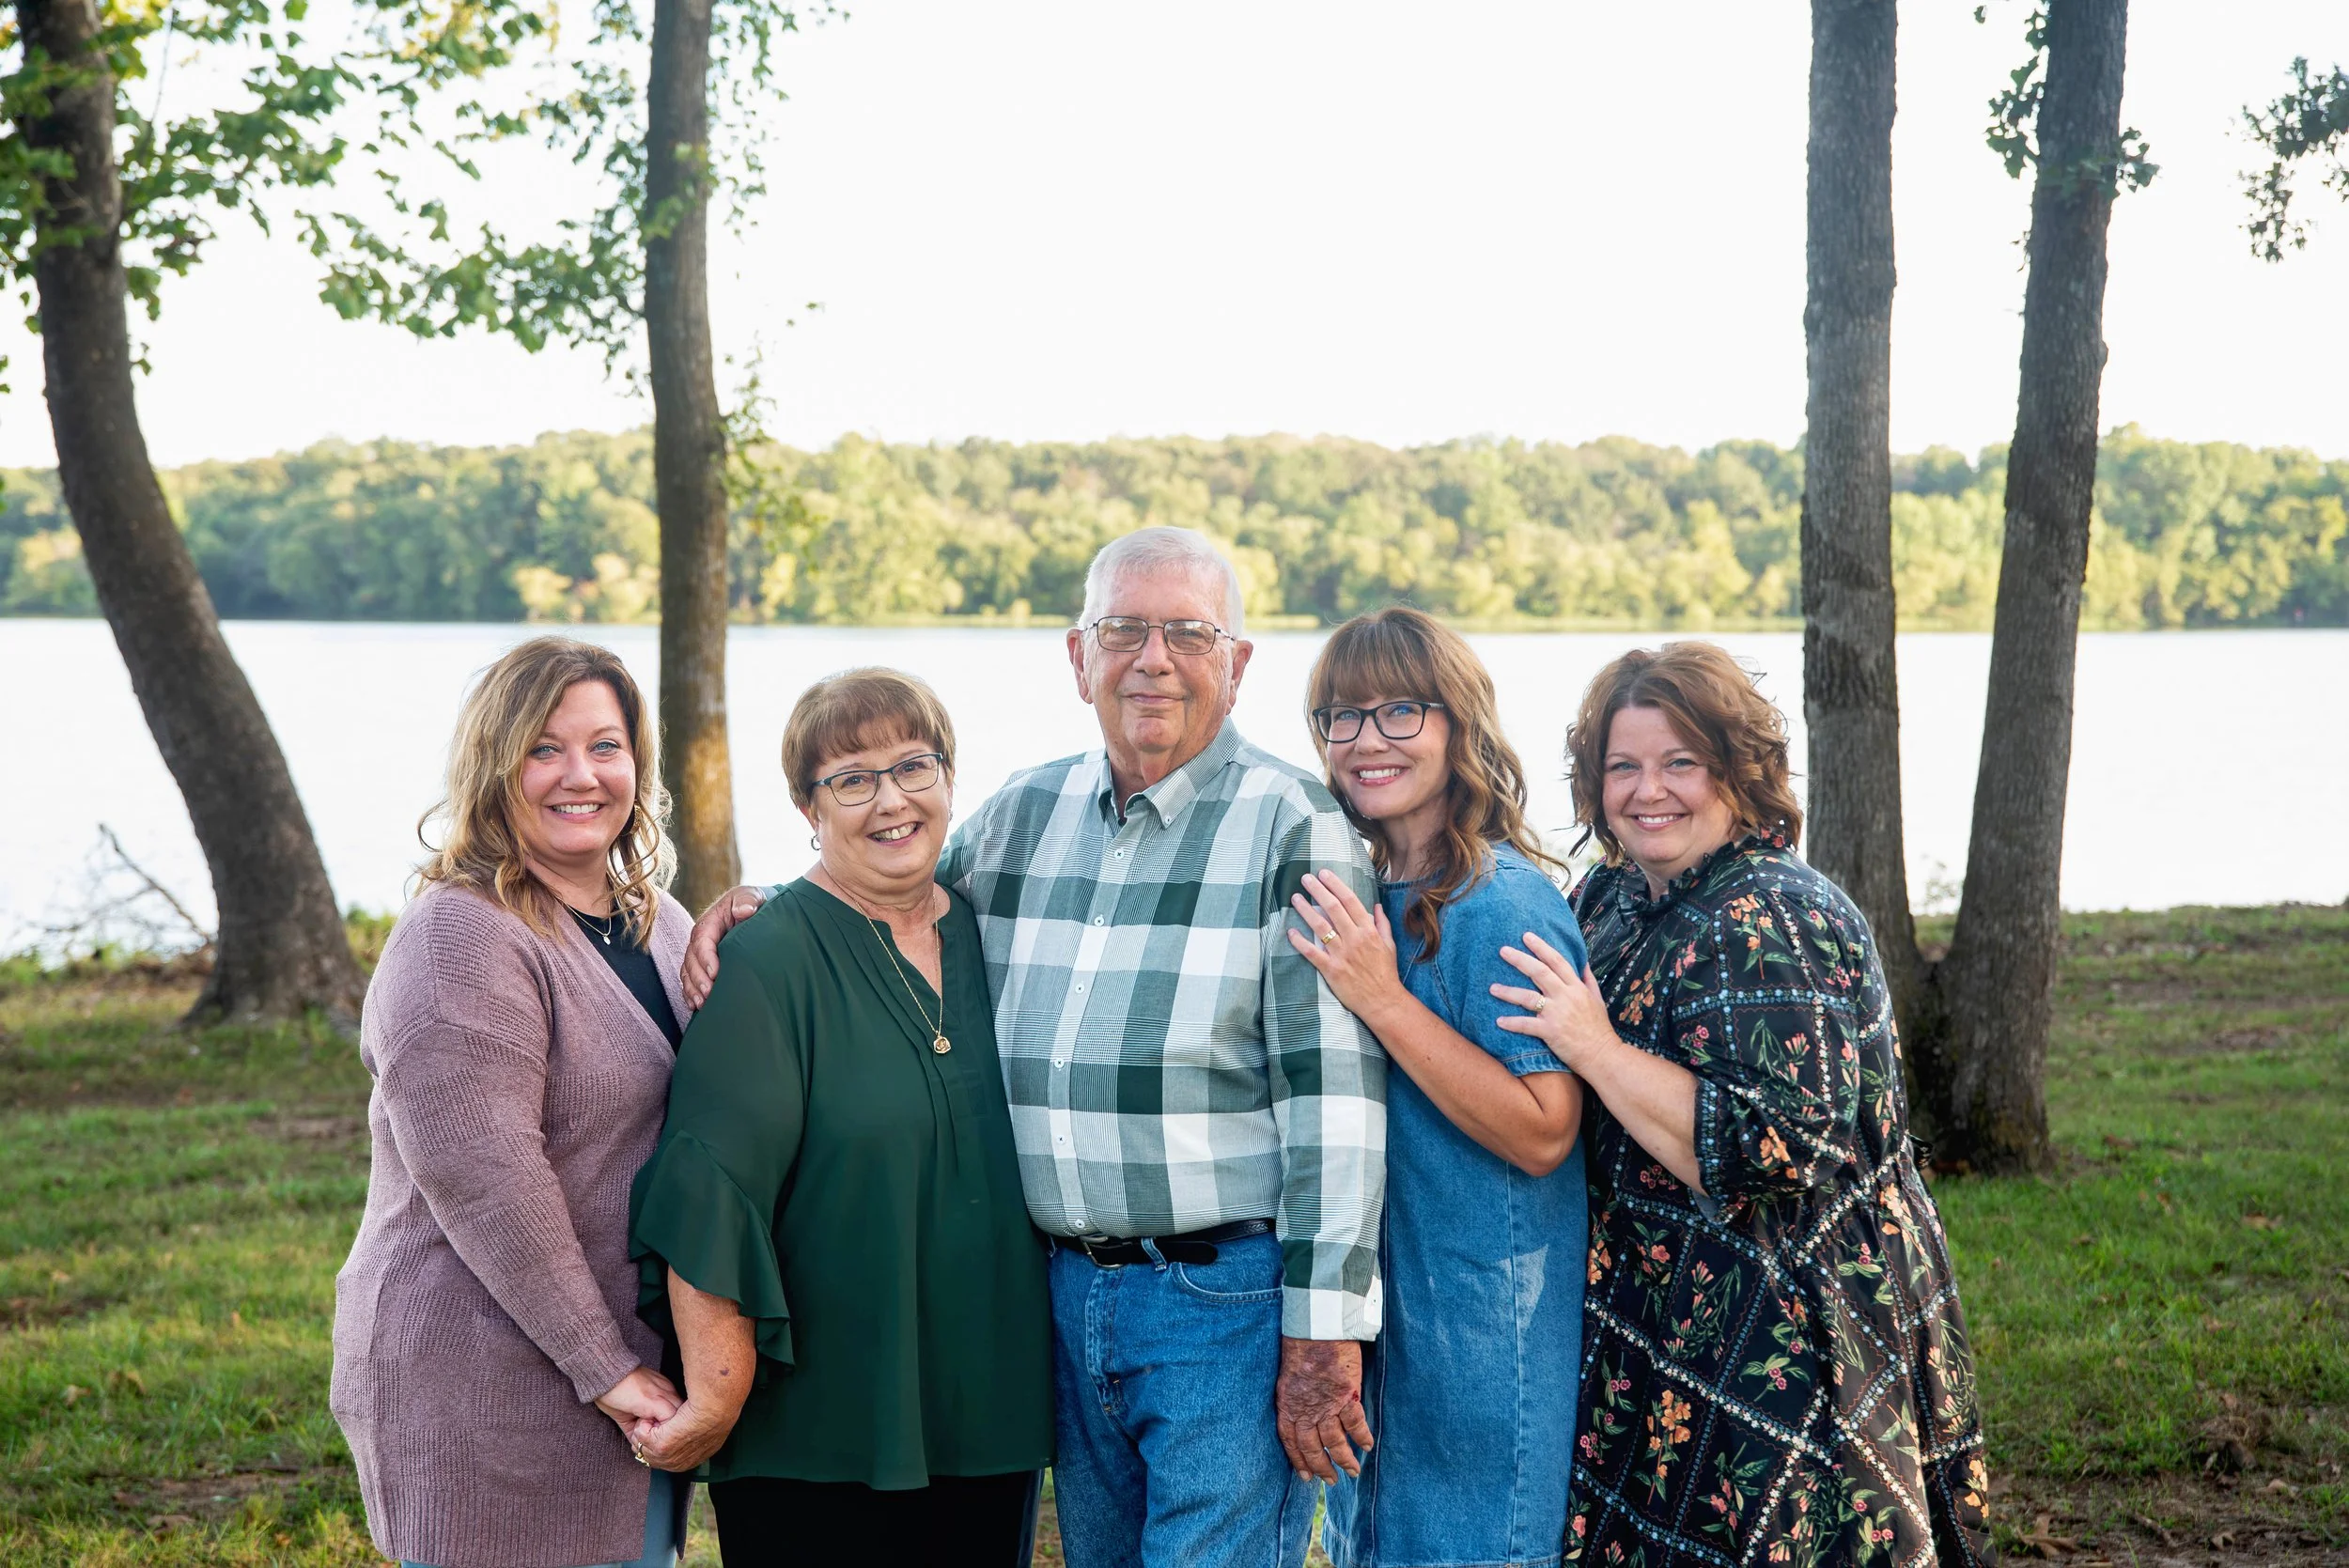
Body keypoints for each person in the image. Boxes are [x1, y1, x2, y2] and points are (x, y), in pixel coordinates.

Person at [680, 527, 1388, 1567]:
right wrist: (766, 905)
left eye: (1188, 633)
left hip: (1217, 1303)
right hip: (1057, 1296)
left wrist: (1324, 1330)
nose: (1153, 658)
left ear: (1236, 665)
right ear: (1077, 657)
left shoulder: (1296, 826)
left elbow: (1333, 1099)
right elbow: (893, 889)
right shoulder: (1022, 816)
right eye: (1124, 630)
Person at [1489, 642, 1993, 1568]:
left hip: (1786, 1329)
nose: (1650, 790)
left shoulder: (1768, 914)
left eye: (1682, 761)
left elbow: (1768, 1147)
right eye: (1623, 766)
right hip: (1663, 1318)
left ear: (1738, 769)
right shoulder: (1611, 895)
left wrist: (1594, 1048)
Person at [623, 668, 1050, 1563]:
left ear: (948, 778)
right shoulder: (767, 961)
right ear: (807, 806)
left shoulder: (994, 936)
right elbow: (710, 1185)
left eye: (913, 766)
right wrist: (716, 1393)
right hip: (817, 1431)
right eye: (851, 779)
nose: (890, 800)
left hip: (986, 1412)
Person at [330, 636, 694, 1568]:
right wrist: (605, 1364)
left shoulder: (651, 919)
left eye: (606, 746)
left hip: (627, 1377)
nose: (581, 774)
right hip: (490, 1386)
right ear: (495, 764)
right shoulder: (461, 937)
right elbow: (486, 1182)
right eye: (545, 747)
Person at [1283, 606, 1589, 1568]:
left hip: (1483, 1328)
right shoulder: (1376, 893)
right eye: (1342, 716)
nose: (1366, 740)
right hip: (1396, 1321)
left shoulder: (1499, 901)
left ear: (1457, 722)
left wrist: (1382, 999)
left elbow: (1546, 1129)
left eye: (1399, 712)